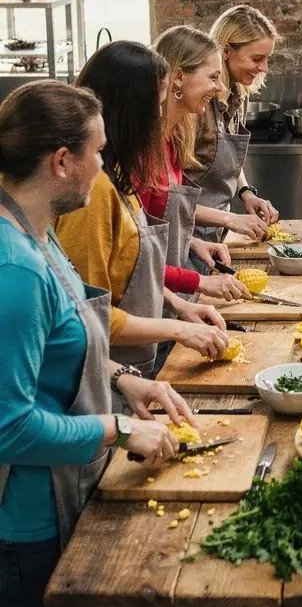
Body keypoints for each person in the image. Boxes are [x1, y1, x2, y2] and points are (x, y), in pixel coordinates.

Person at [0, 82, 183, 607]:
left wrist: (124, 380)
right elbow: (9, 425)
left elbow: (70, 345)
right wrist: (117, 428)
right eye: (98, 153)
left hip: (57, 505)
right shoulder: (12, 269)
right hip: (21, 525)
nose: (106, 166)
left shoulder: (37, 237)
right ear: (61, 161)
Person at [55, 41, 230, 374]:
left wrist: (177, 304)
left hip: (133, 362)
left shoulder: (117, 176)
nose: (161, 116)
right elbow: (88, 314)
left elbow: (130, 272)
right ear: (131, 110)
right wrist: (178, 328)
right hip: (105, 372)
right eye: (156, 105)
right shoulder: (94, 195)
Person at [143, 26, 246, 300]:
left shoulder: (172, 140)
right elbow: (133, 255)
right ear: (178, 78)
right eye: (213, 77)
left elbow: (158, 228)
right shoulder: (145, 152)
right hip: (149, 298)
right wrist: (198, 282)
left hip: (169, 291)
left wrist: (191, 242)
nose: (220, 87)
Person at [192, 5, 279, 242]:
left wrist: (246, 192)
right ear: (226, 51)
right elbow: (168, 196)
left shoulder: (239, 93)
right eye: (257, 59)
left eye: (267, 59)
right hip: (188, 234)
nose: (264, 68)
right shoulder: (197, 103)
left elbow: (227, 159)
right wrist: (230, 219)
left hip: (216, 233)